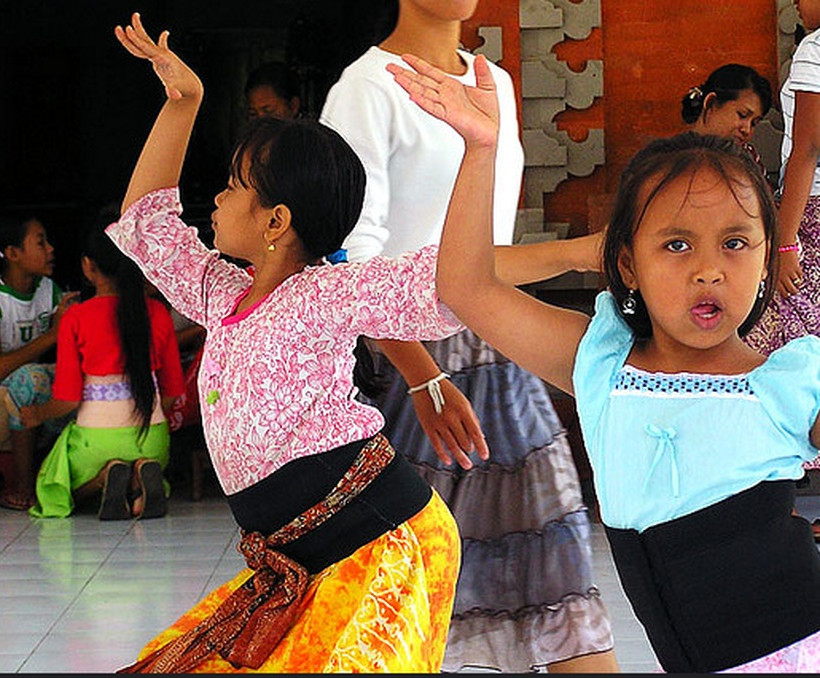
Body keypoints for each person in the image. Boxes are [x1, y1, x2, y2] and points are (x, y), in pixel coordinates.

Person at [389, 50, 820, 673]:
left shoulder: (792, 382)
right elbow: (465, 286)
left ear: (763, 259)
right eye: (676, 245)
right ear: (627, 266)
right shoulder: (602, 366)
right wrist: (480, 150)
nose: (708, 269)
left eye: (735, 243)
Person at [319, 0, 617, 672]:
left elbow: (481, 256)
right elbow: (352, 263)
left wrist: (562, 265)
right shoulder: (365, 89)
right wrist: (423, 376)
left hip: (498, 352)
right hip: (405, 370)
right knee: (398, 587)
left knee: (557, 568)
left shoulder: (493, 81)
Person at [23, 216, 186, 520]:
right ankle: (138, 483)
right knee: (143, 453)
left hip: (96, 440)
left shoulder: (76, 318)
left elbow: (68, 400)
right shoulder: (158, 313)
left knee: (53, 480)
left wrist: (37, 414)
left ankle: (105, 477)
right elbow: (173, 391)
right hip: (152, 438)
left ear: (88, 266)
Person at [0, 213, 78, 511]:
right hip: (9, 387)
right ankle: (22, 484)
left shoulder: (48, 290)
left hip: (32, 384)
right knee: (29, 379)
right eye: (41, 243)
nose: (51, 249)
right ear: (13, 253)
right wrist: (54, 335)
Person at [681, 63, 773, 179]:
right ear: (710, 103)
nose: (747, 130)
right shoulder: (676, 161)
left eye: (754, 123)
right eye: (742, 115)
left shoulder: (748, 158)